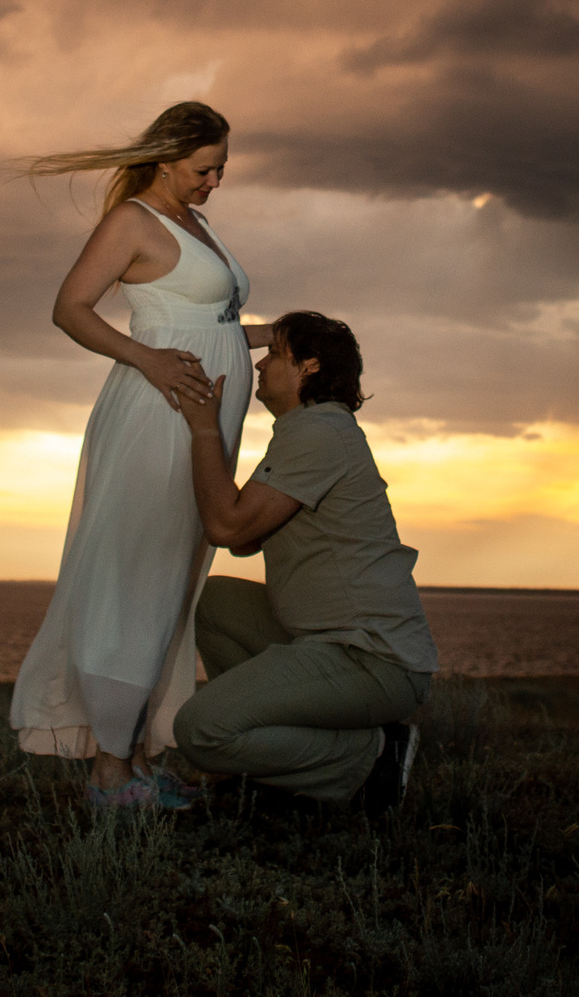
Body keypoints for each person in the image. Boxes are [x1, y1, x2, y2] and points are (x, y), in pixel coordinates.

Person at [8, 101, 267, 807]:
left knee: (174, 582)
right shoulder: (133, 221)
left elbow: (207, 328)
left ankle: (141, 753)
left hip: (204, 420)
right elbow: (70, 308)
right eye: (204, 168)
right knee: (139, 577)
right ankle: (109, 771)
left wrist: (271, 333)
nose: (215, 182)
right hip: (158, 416)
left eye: (221, 169)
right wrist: (147, 359)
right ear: (166, 157)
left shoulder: (195, 222)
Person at [166, 310, 438, 814]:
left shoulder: (319, 433)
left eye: (274, 353)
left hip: (371, 658)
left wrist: (204, 428)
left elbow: (227, 528)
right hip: (328, 641)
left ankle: (373, 757)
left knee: (200, 731)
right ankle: (277, 760)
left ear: (309, 366)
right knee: (214, 600)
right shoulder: (306, 431)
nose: (260, 365)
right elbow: (245, 539)